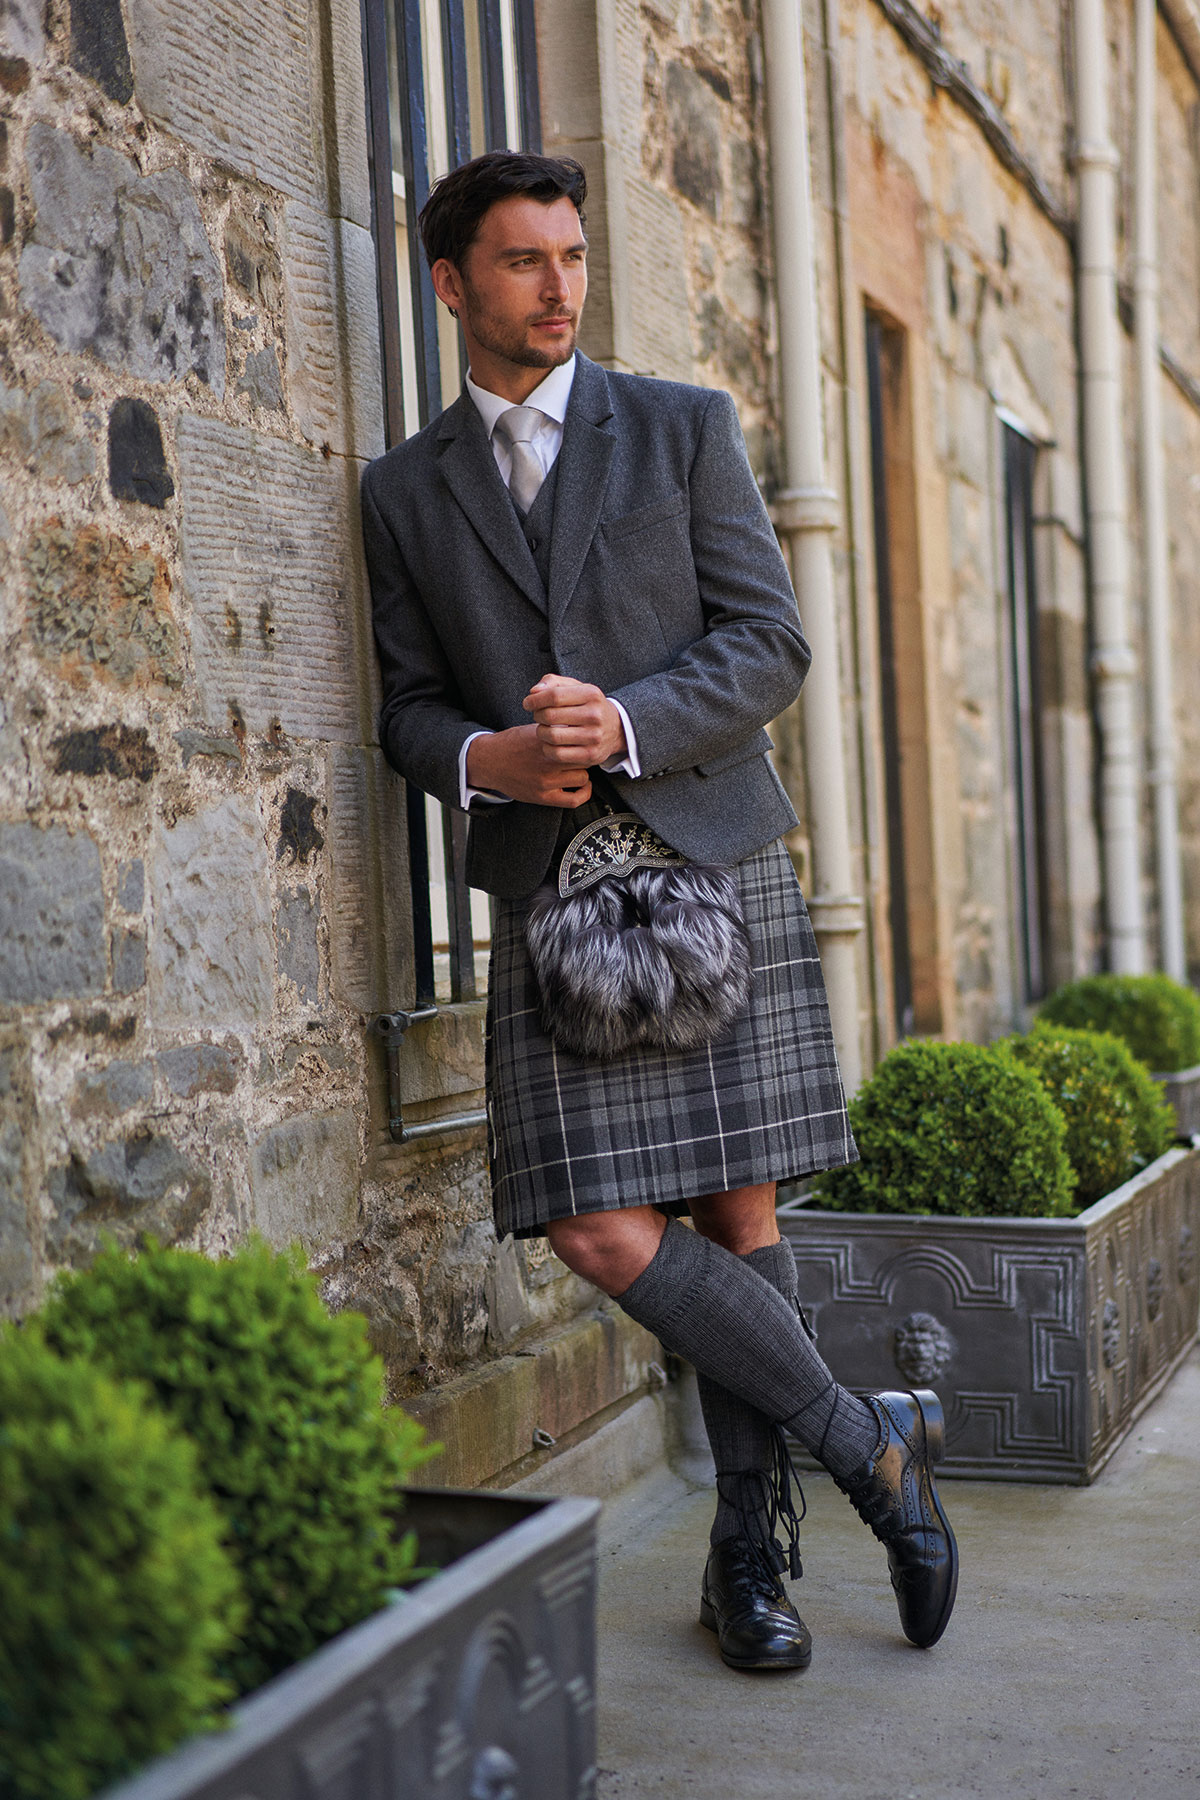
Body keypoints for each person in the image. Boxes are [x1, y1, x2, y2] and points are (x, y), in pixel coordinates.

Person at [361, 149, 957, 1670]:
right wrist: (489, 757)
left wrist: (620, 723)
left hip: (711, 857)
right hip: (552, 894)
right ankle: (868, 1443)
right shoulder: (404, 493)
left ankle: (746, 1567)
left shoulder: (682, 429)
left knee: (737, 1217)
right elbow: (409, 713)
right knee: (590, 1222)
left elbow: (771, 642)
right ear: (451, 284)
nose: (560, 284)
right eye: (522, 260)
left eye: (571, 255)